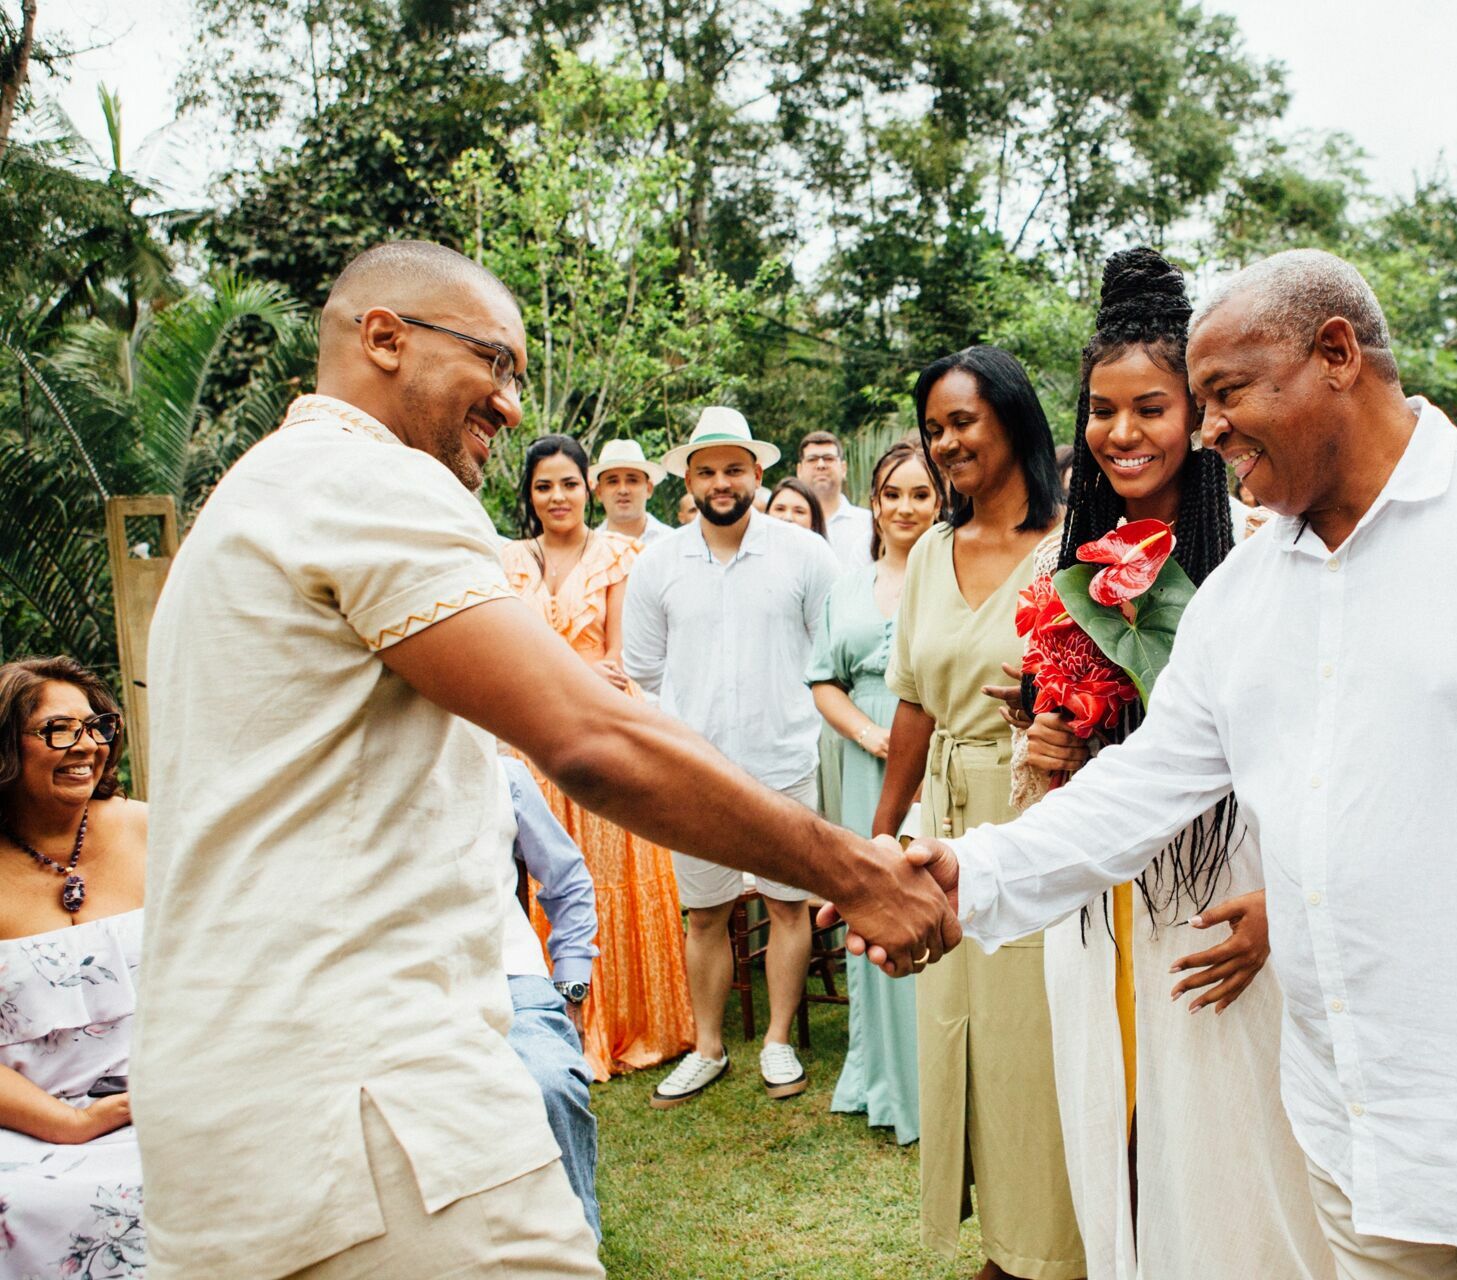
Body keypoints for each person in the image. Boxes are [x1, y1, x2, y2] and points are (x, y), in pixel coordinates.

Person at [866, 249, 1457, 1280]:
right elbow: (1139, 792)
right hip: (1355, 1153)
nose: (1206, 431)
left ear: (1337, 354)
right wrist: (966, 878)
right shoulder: (1246, 601)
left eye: (1228, 393)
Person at [137, 240, 956, 1279]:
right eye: (494, 362)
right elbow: (595, 737)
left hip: (247, 1105)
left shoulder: (260, 493)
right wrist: (854, 870)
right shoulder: (366, 479)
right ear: (384, 337)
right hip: (369, 1097)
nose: (513, 406)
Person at [1000, 247, 1333, 1280]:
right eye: (1101, 411)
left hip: (1230, 889)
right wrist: (1046, 752)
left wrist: (1289, 902)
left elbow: (1323, 750)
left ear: (1197, 413)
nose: (1122, 434)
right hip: (1108, 901)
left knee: (1238, 1141)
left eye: (1150, 407)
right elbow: (1061, 758)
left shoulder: (1264, 552)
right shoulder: (1062, 572)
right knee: (1117, 1118)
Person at [870, 346, 1084, 1280]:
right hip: (941, 819)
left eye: (963, 422)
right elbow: (911, 708)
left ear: (1013, 420)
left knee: (1034, 1045)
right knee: (961, 1034)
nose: (945, 442)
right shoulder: (927, 555)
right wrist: (877, 845)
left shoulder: (1074, 545)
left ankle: (1054, 1247)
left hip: (1036, 814)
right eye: (934, 428)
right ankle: (1001, 1239)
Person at [623, 406, 844, 1109]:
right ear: (687, 479)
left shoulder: (805, 555)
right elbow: (642, 669)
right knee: (706, 912)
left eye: (734, 470)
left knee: (786, 904)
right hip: (694, 771)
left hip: (783, 759)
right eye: (708, 471)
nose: (722, 483)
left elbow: (829, 652)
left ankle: (778, 1040)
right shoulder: (657, 562)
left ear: (758, 473)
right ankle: (709, 1047)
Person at [500, 433, 697, 1079]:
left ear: (589, 487)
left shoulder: (619, 556)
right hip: (523, 740)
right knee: (538, 881)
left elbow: (617, 664)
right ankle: (553, 1022)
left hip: (595, 732)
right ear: (530, 495)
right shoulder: (507, 561)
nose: (557, 496)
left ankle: (619, 1024)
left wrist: (556, 674)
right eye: (543, 485)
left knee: (604, 878)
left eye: (568, 483)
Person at [810, 440, 941, 1145]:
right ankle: (890, 1079)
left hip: (947, 758)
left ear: (941, 500)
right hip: (869, 767)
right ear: (874, 502)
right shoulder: (846, 588)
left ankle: (949, 1080)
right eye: (894, 494)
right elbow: (822, 680)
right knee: (878, 899)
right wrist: (871, 734)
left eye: (922, 494)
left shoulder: (957, 576)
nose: (907, 508)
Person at [0, 657, 147, 1277]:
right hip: (29, 1122)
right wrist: (72, 1124)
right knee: (33, 1202)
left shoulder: (154, 830)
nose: (86, 745)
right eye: (59, 729)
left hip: (172, 1092)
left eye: (97, 726)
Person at [496, 754, 601, 1238]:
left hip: (510, 975)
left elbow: (568, 882)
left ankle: (579, 1244)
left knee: (551, 1084)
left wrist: (571, 988)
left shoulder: (502, 775)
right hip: (403, 985)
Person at [796, 430, 877, 569]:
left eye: (829, 458)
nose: (821, 465)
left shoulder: (869, 523)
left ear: (843, 468)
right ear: (799, 470)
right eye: (812, 459)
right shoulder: (788, 522)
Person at [591, 437, 675, 545]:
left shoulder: (672, 542)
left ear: (649, 489)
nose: (623, 490)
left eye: (632, 480)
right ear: (599, 492)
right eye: (613, 482)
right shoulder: (588, 548)